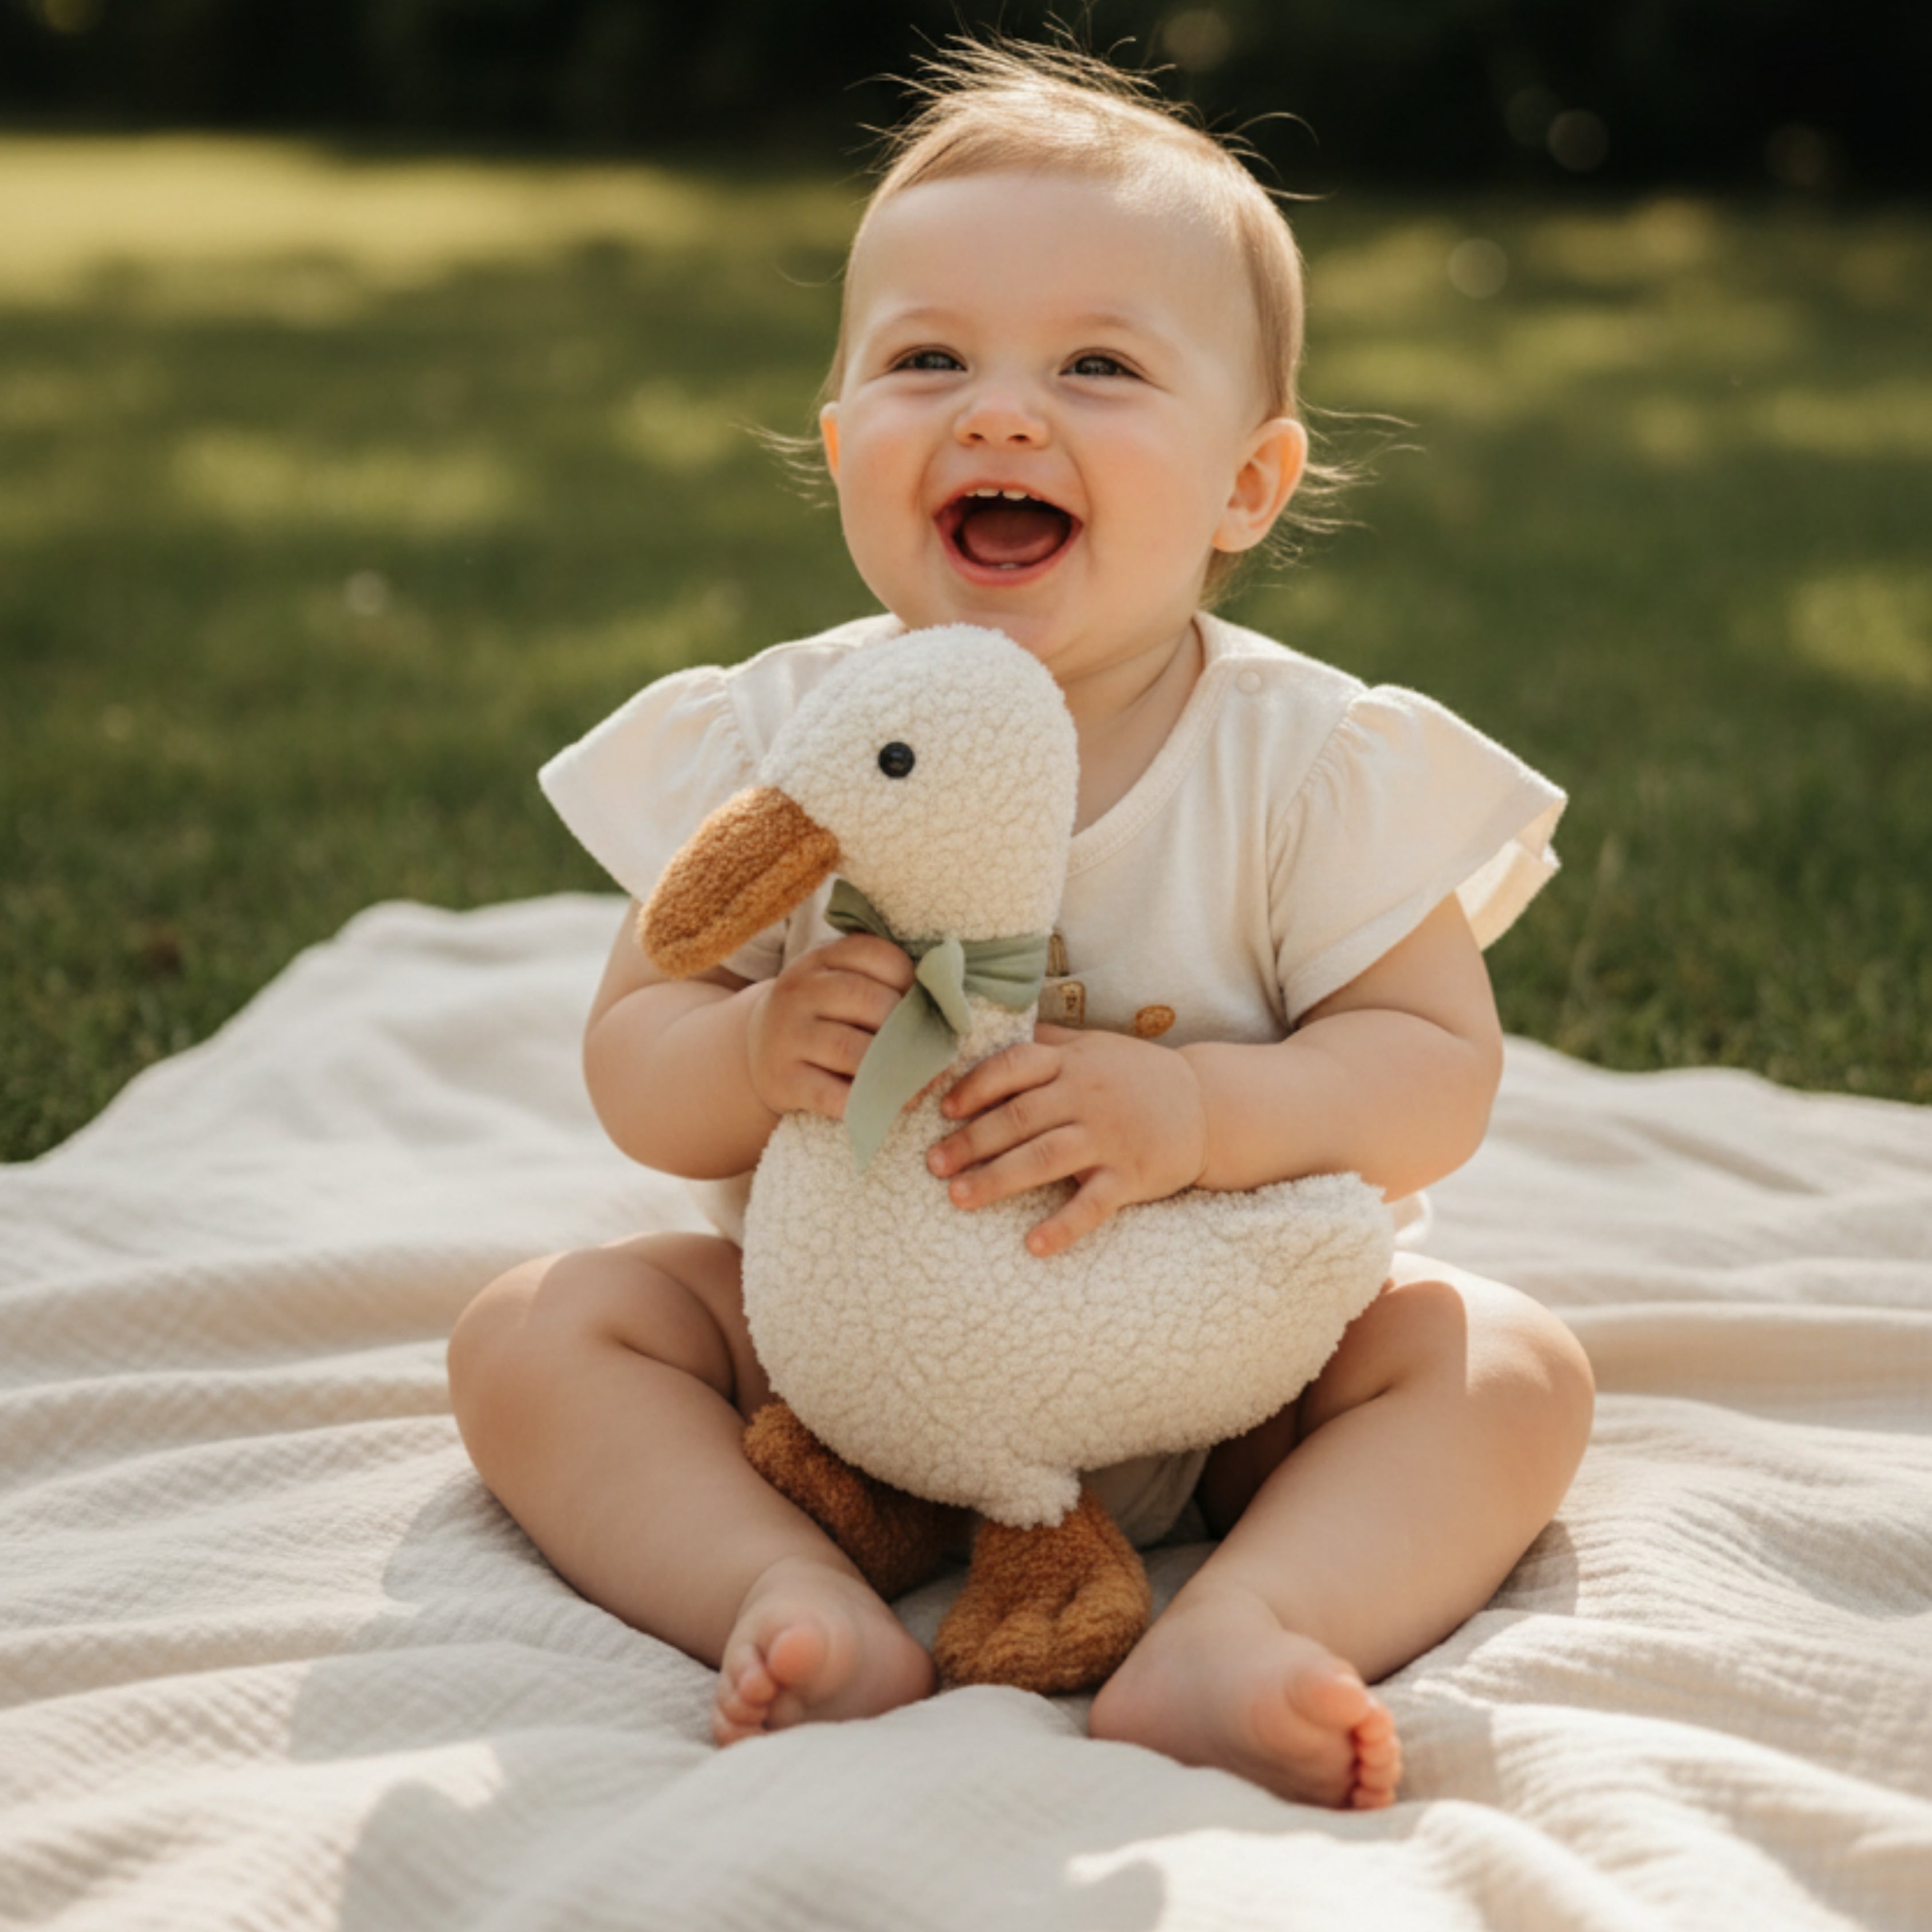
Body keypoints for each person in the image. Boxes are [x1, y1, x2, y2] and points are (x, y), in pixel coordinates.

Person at [447, 42, 1594, 1811]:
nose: (998, 413)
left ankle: (1256, 1617)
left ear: (1248, 486)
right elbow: (633, 1058)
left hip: (1222, 1372)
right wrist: (750, 1051)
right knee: (536, 1333)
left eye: (1099, 367)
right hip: (846, 1363)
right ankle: (789, 1589)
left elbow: (1434, 1071)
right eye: (928, 361)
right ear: (841, 448)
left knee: (1505, 1368)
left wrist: (1209, 1117)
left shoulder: (1301, 763)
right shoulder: (784, 743)